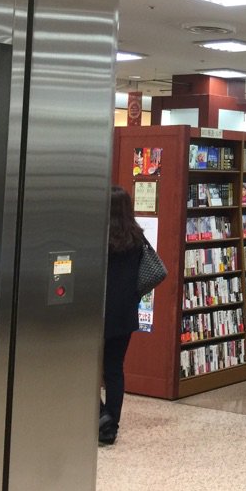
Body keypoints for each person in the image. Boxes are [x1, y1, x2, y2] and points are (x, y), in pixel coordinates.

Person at [101, 185, 144, 445]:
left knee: (86, 367)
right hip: (125, 313)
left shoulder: (99, 239)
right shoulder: (137, 238)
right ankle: (111, 426)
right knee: (115, 369)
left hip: (98, 313)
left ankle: (100, 417)